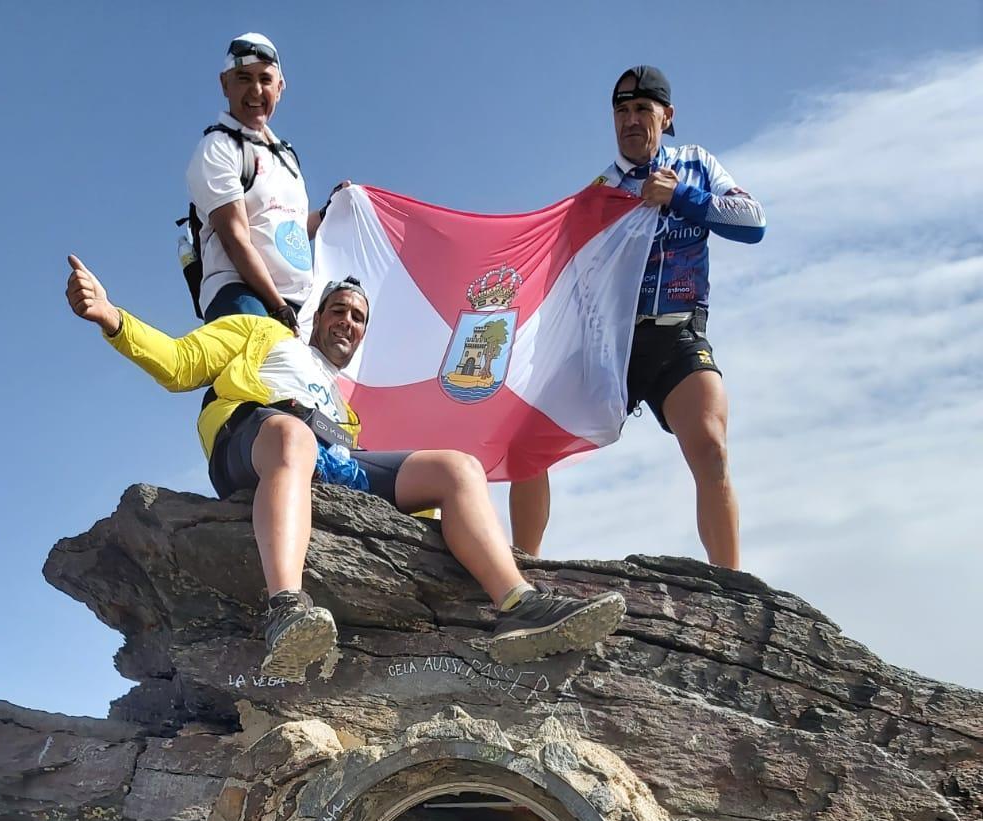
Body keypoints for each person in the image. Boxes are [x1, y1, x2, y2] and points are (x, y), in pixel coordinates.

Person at [65, 256, 627, 679]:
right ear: (317, 318)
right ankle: (285, 607)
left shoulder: (344, 405)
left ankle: (516, 603)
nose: (348, 323)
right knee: (292, 437)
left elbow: (365, 469)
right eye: (338, 311)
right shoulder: (260, 334)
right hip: (258, 436)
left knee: (457, 468)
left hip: (333, 457)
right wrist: (112, 317)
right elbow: (179, 363)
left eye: (358, 318)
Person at [509, 65, 765, 570]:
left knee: (711, 450)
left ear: (666, 116)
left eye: (642, 110)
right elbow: (560, 273)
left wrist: (682, 197)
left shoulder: (696, 164)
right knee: (524, 442)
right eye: (621, 111)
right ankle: (523, 573)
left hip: (677, 337)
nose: (630, 120)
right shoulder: (598, 191)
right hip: (611, 346)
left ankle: (732, 588)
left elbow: (753, 223)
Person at [186, 33, 328, 328]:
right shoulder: (218, 147)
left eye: (265, 79)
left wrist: (331, 212)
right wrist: (276, 306)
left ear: (280, 88)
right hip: (242, 296)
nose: (255, 90)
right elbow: (235, 237)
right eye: (243, 78)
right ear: (225, 83)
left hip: (295, 305)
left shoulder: (286, 156)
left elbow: (292, 232)